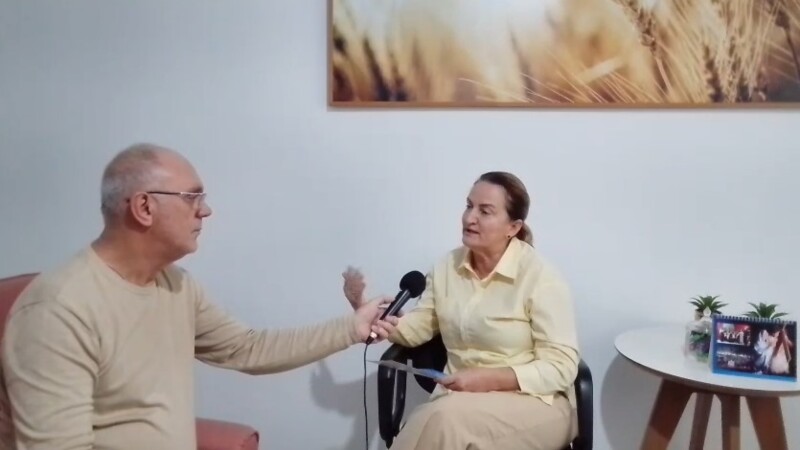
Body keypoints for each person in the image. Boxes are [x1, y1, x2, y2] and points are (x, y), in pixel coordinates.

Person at [0, 143, 399, 450]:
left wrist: (351, 328)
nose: (205, 211)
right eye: (192, 197)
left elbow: (246, 348)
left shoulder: (176, 285)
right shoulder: (58, 310)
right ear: (144, 207)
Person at [343, 171, 580, 450]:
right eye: (469, 206)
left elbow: (561, 367)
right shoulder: (447, 267)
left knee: (443, 421)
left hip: (536, 403)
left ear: (513, 227)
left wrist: (489, 378)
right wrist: (368, 312)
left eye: (485, 211)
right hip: (460, 401)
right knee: (439, 419)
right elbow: (418, 327)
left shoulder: (541, 277)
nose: (469, 218)